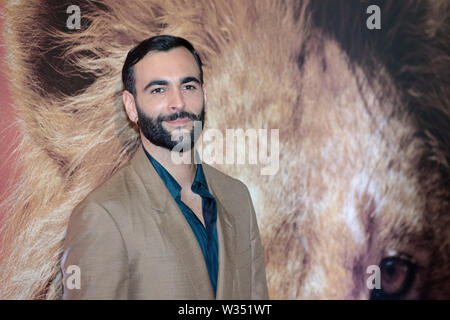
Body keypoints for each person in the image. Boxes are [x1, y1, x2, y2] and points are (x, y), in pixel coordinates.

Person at [61, 35, 268, 299]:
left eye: (188, 86)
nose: (178, 102)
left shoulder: (237, 197)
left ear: (204, 95)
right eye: (159, 90)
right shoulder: (102, 216)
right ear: (131, 106)